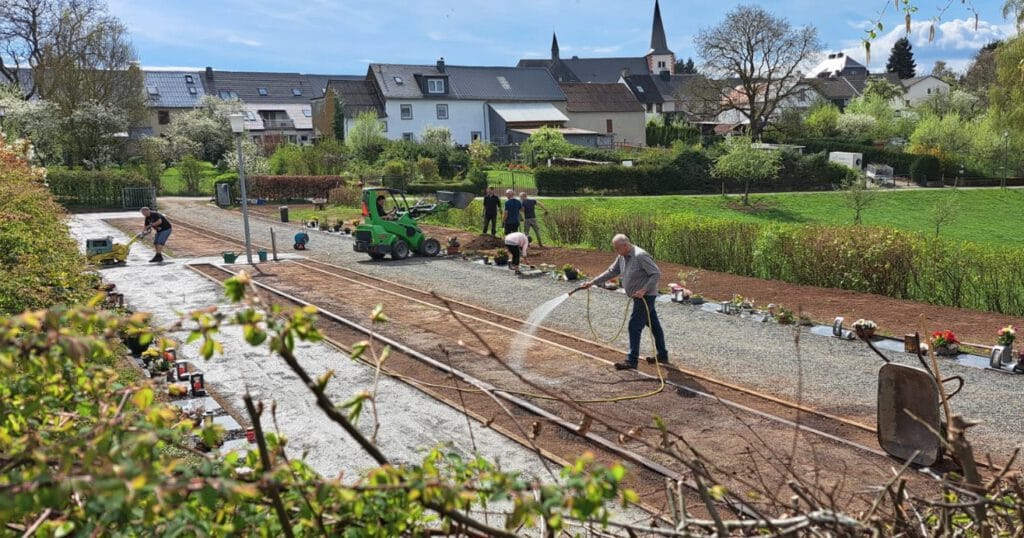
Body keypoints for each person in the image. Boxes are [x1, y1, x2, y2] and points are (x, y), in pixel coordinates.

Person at [579, 234, 669, 370]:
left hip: (645, 297)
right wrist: (592, 282)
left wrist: (644, 290)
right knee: (653, 324)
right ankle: (662, 354)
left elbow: (656, 273)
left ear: (625, 245)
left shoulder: (640, 256)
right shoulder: (622, 256)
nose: (616, 251)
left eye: (617, 248)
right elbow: (611, 272)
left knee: (634, 326)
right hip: (637, 296)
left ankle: (632, 360)